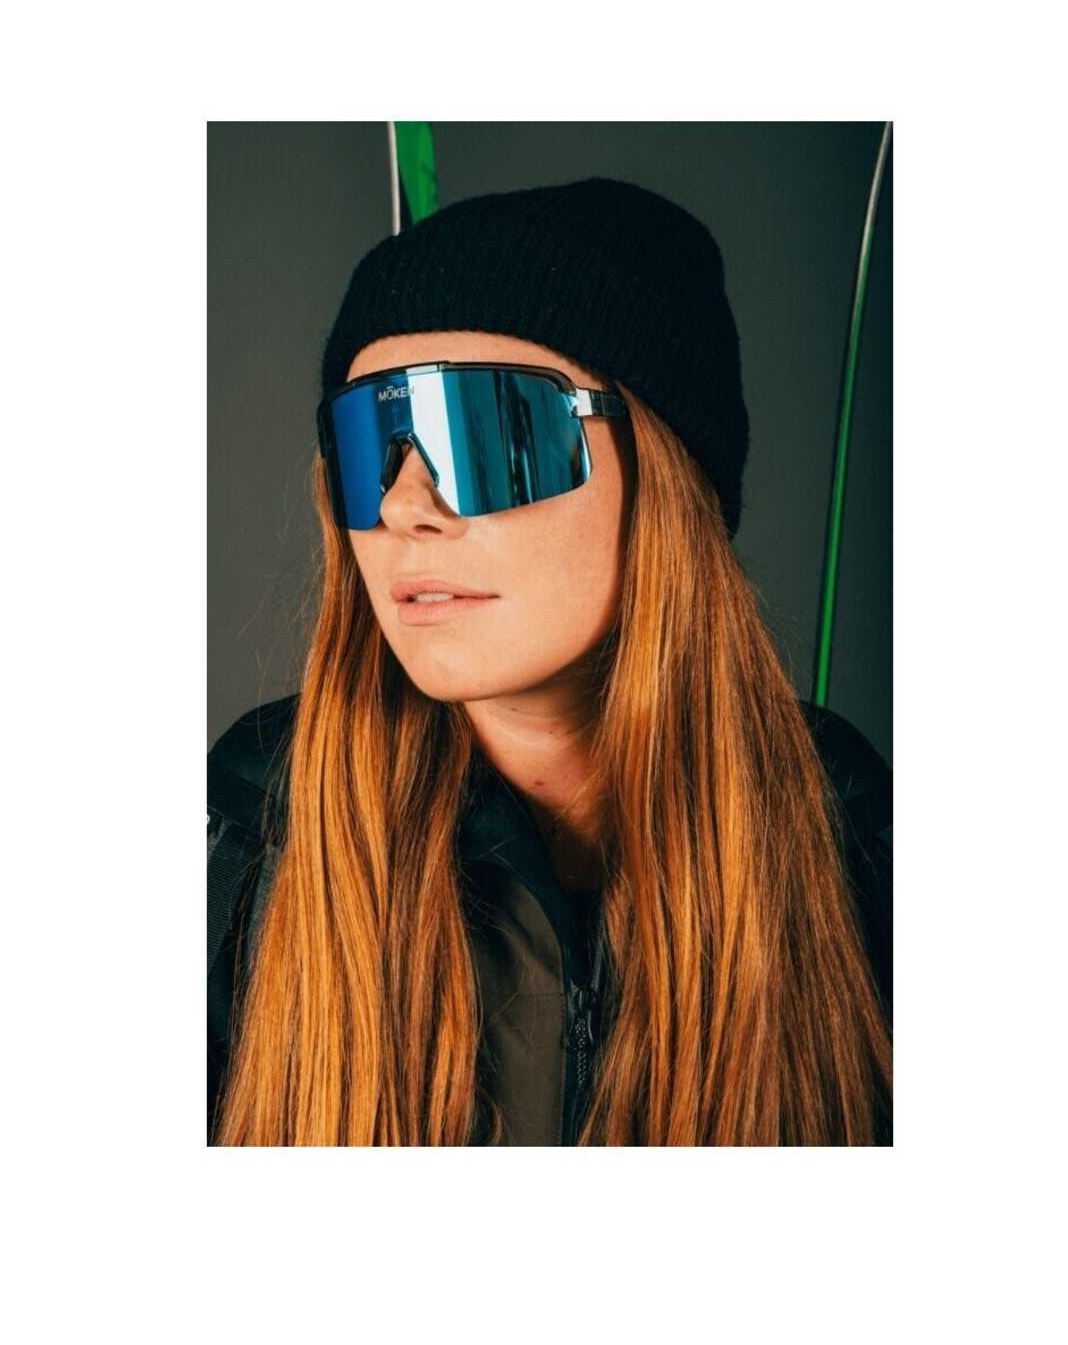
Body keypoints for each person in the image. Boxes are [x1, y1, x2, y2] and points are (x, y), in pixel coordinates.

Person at [207, 176, 892, 1147]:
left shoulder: (851, 838)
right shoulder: (253, 829)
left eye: (487, 432)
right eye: (368, 444)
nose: (404, 506)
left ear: (662, 476)